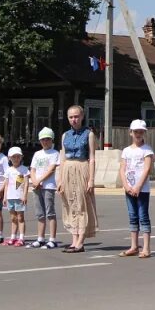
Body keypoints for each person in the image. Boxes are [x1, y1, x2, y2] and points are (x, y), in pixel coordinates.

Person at [57, 105, 99, 253]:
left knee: (82, 204)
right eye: (71, 117)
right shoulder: (65, 135)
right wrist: (60, 179)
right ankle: (74, 239)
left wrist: (91, 180)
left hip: (82, 167)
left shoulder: (89, 134)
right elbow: (62, 158)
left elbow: (92, 158)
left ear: (82, 117)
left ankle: (81, 241)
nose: (74, 120)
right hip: (68, 168)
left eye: (76, 116)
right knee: (70, 204)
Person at [118, 119, 154, 259]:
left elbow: (147, 169)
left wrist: (138, 185)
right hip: (129, 188)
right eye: (136, 131)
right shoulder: (126, 151)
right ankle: (134, 245)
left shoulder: (147, 150)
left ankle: (146, 247)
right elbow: (122, 169)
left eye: (141, 132)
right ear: (131, 133)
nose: (138, 134)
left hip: (142, 189)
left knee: (143, 216)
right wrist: (126, 185)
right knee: (132, 216)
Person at [29, 127, 60, 249]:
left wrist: (40, 180)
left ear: (52, 140)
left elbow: (51, 169)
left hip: (48, 186)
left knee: (50, 212)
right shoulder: (37, 154)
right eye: (42, 139)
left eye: (47, 139)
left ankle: (52, 239)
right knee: (40, 214)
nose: (45, 142)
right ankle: (40, 238)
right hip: (37, 186)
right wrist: (34, 180)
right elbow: (32, 169)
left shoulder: (55, 153)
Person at [3, 147, 29, 247]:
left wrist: (25, 195)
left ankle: (21, 237)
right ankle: (13, 237)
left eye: (18, 156)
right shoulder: (8, 170)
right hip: (10, 197)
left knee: (20, 217)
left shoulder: (24, 169)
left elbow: (26, 184)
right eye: (14, 157)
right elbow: (6, 184)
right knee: (13, 218)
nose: (16, 159)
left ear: (21, 157)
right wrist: (5, 197)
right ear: (10, 158)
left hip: (19, 197)